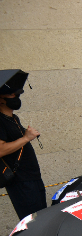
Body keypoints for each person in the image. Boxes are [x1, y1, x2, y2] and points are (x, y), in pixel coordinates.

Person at [0, 84, 46, 219]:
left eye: (17, 94)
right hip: (21, 181)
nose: (16, 97)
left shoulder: (14, 118)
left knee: (42, 219)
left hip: (33, 177)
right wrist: (26, 138)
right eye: (11, 94)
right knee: (33, 224)